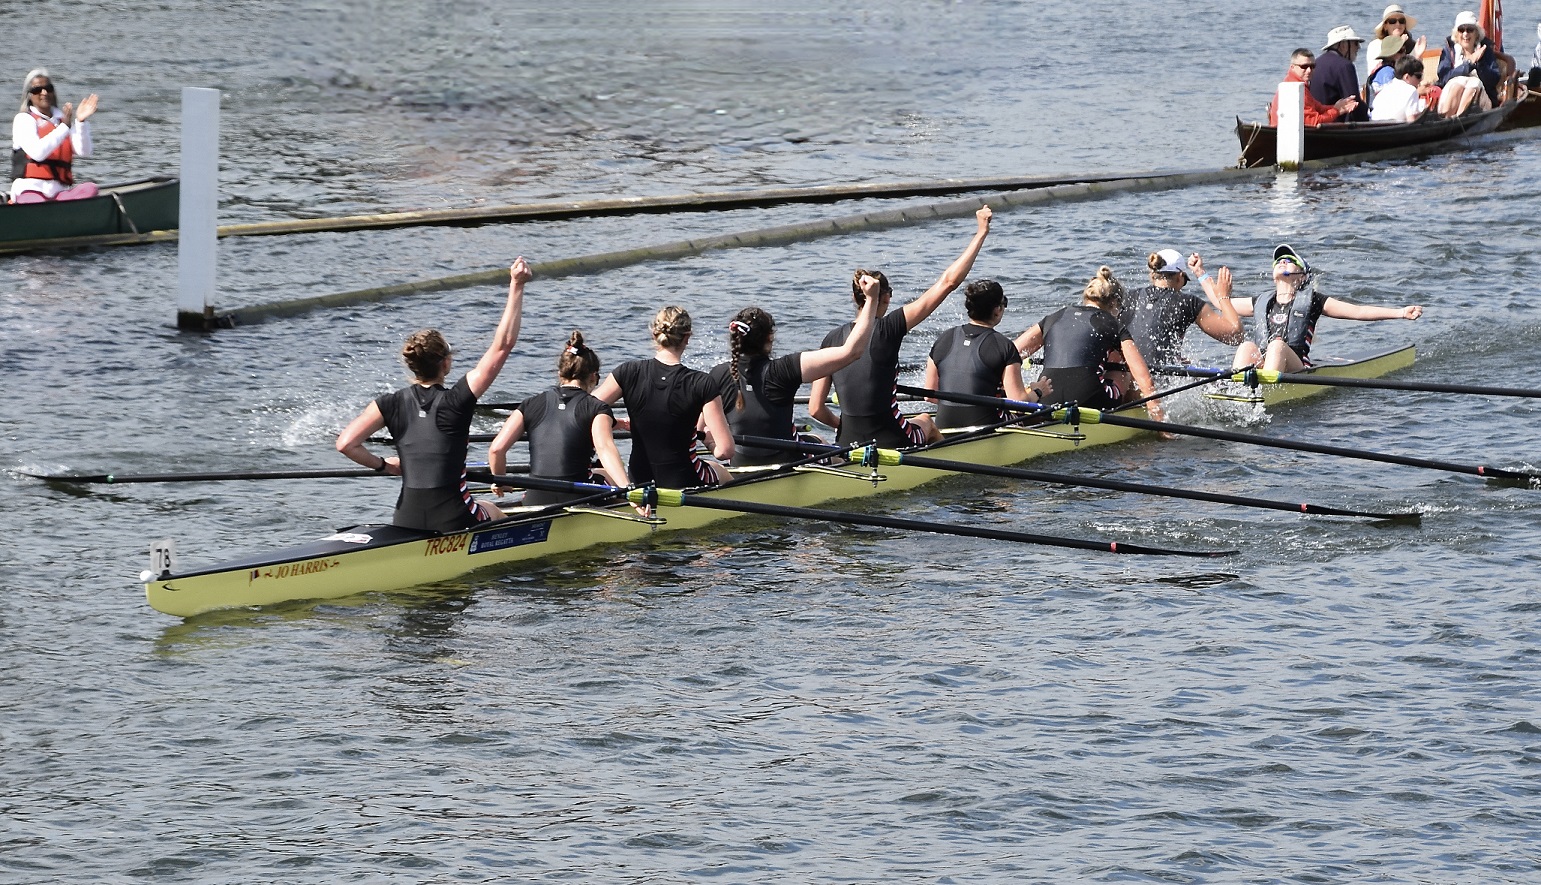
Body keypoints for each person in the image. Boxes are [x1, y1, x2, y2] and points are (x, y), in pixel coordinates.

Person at [336, 258, 531, 532]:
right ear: (446, 363)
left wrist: (384, 466)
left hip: (406, 518)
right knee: (493, 510)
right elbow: (503, 346)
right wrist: (516, 285)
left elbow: (346, 444)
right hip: (453, 517)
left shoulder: (389, 403)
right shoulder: (457, 400)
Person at [809, 205, 993, 447]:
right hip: (892, 438)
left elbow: (815, 409)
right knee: (925, 420)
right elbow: (948, 282)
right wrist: (981, 232)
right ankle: (950, 456)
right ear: (885, 297)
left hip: (847, 442)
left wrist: (842, 426)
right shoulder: (890, 328)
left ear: (855, 298)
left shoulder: (830, 340)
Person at [708, 286, 881, 466]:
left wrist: (712, 444)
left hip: (739, 464)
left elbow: (703, 427)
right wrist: (871, 299)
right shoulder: (782, 370)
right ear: (770, 338)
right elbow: (852, 352)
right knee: (821, 443)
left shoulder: (718, 374)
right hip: (787, 462)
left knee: (813, 439)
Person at [594, 306, 734, 487]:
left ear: (654, 335)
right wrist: (708, 442)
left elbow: (584, 408)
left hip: (639, 480)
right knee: (720, 469)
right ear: (687, 337)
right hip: (684, 480)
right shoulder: (702, 383)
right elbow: (725, 451)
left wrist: (615, 423)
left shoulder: (627, 371)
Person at [486, 330, 630, 506]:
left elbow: (496, 450)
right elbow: (605, 449)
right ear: (593, 377)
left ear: (560, 375)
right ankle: (623, 507)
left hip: (535, 497)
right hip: (578, 498)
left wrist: (500, 480)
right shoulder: (597, 407)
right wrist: (629, 490)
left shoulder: (530, 404)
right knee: (604, 473)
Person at [1230, 245, 1422, 373]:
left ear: (1302, 276)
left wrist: (1400, 313)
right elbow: (1222, 304)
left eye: (1290, 260)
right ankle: (1236, 390)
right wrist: (1211, 283)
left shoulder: (1313, 300)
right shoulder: (1262, 301)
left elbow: (1358, 312)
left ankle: (1267, 391)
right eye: (1279, 260)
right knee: (1247, 347)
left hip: (1296, 366)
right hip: (1266, 364)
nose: (1283, 261)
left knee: (1276, 345)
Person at [1014, 267, 1166, 422]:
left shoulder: (1055, 317)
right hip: (1089, 399)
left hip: (1046, 396)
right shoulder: (1113, 323)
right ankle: (1129, 411)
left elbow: (1012, 353)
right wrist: (1161, 423)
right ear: (1114, 303)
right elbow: (1144, 379)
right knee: (1124, 369)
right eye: (1120, 309)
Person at [921, 279, 1049, 429]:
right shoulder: (1004, 345)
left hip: (944, 425)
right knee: (1033, 414)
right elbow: (1019, 403)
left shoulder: (944, 338)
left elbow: (929, 395)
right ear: (997, 310)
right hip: (985, 427)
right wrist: (1038, 391)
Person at [1120, 249, 1243, 370]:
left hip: (1126, 372)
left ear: (1152, 276)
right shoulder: (1187, 302)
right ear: (1179, 277)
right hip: (1160, 377)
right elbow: (1235, 336)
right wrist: (1223, 296)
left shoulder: (1128, 297)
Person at [11, 69, 99, 203]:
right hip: (30, 190)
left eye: (48, 88)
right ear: (29, 95)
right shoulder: (23, 119)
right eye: (37, 90)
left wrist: (81, 122)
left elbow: (84, 151)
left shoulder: (62, 119)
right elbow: (37, 153)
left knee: (91, 188)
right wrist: (64, 127)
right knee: (38, 204)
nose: (44, 93)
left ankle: (60, 209)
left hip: (59, 192)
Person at [1269, 50, 1360, 126]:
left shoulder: (1300, 85)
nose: (1309, 70)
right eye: (1304, 67)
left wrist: (1339, 106)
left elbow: (1318, 108)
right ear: (1292, 67)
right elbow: (1314, 122)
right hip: (1287, 137)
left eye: (1312, 66)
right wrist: (1337, 111)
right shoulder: (1294, 88)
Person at [1437, 11, 1502, 116]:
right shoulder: (1449, 51)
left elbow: (1492, 81)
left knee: (1473, 84)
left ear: (1476, 33)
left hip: (1480, 101)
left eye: (1470, 29)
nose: (1465, 34)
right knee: (1458, 84)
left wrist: (1479, 63)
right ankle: (1447, 119)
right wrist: (1469, 64)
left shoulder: (1485, 50)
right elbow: (1444, 78)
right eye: (1461, 30)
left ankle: (1459, 119)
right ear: (1456, 33)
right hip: (1450, 96)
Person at [1313, 26, 1370, 121]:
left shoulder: (1316, 63)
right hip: (1337, 124)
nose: (1359, 47)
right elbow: (1353, 104)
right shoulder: (1345, 66)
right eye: (1355, 43)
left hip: (1317, 121)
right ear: (1343, 45)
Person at [1370, 56, 1433, 122]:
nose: (1421, 80)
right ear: (1406, 77)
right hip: (1395, 127)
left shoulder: (1385, 89)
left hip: (1374, 124)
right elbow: (1412, 121)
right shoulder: (1411, 90)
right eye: (1419, 76)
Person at [1373, 5, 1428, 74]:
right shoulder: (1375, 45)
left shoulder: (1411, 45)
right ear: (1385, 26)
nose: (1398, 24)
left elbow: (1416, 74)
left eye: (1401, 21)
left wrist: (1418, 57)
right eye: (1392, 21)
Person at [1366, 34, 1410, 106]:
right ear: (1391, 55)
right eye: (1401, 51)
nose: (1404, 54)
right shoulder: (1387, 72)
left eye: (1404, 50)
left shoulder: (1383, 67)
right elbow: (1393, 98)